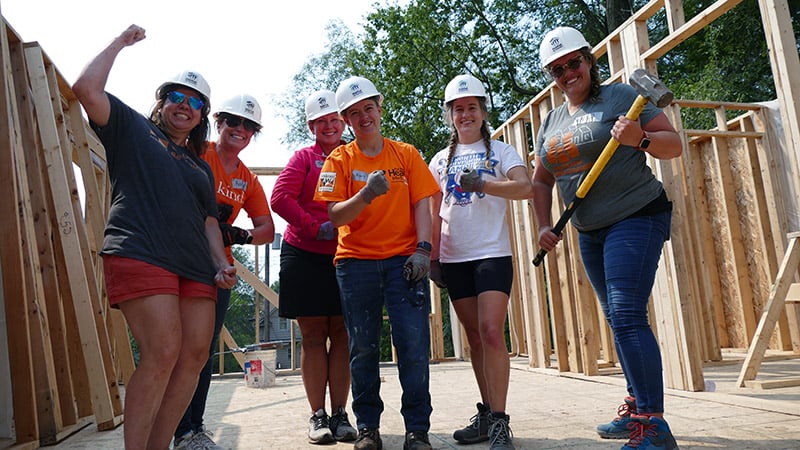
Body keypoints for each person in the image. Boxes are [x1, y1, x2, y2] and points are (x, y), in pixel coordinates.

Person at [71, 25, 237, 450]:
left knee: (194, 357)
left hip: (195, 266)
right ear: (162, 103)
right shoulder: (131, 128)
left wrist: (221, 263)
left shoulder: (200, 167)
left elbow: (208, 223)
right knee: (163, 352)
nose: (184, 105)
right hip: (142, 251)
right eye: (176, 97)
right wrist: (119, 43)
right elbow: (86, 89)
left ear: (202, 115)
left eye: (195, 101)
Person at [532, 27, 683, 450]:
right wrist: (544, 224)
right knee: (617, 316)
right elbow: (540, 180)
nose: (567, 73)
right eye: (557, 69)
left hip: (636, 215)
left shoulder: (621, 98)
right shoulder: (552, 121)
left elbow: (673, 145)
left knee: (626, 312)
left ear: (589, 60)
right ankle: (636, 404)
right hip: (588, 229)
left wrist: (641, 138)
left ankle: (653, 425)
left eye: (573, 63)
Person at [314, 76, 440, 450]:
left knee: (413, 346)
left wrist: (423, 249)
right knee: (364, 347)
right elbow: (335, 216)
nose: (364, 116)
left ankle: (417, 430)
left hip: (405, 262)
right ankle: (368, 427)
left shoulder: (406, 154)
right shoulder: (340, 159)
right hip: (357, 264)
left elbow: (423, 202)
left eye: (368, 108)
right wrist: (367, 193)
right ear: (347, 120)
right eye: (354, 113)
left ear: (379, 108)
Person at [428, 74, 533, 450]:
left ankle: (501, 422)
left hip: (491, 253)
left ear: (483, 111)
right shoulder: (440, 160)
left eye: (472, 107)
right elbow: (432, 210)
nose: (465, 114)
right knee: (474, 338)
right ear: (450, 116)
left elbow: (525, 187)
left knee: (491, 331)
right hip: (455, 257)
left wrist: (485, 184)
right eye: (459, 109)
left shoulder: (502, 152)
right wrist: (432, 256)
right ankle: (487, 414)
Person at [173, 94, 275, 450]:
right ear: (218, 122)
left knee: (201, 352)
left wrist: (238, 234)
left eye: (248, 126)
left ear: (253, 135)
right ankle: (173, 426)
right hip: (179, 261)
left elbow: (267, 230)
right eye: (233, 121)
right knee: (173, 349)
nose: (239, 129)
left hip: (218, 270)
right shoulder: (198, 152)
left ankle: (192, 430)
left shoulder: (247, 179)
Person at [271, 89, 358, 445]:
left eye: (334, 119)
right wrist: (313, 225)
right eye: (321, 121)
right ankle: (318, 416)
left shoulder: (355, 157)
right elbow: (280, 198)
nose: (329, 126)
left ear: (343, 122)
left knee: (342, 333)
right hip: (304, 252)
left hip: (345, 252)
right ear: (311, 126)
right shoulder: (304, 159)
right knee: (312, 336)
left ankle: (340, 413)